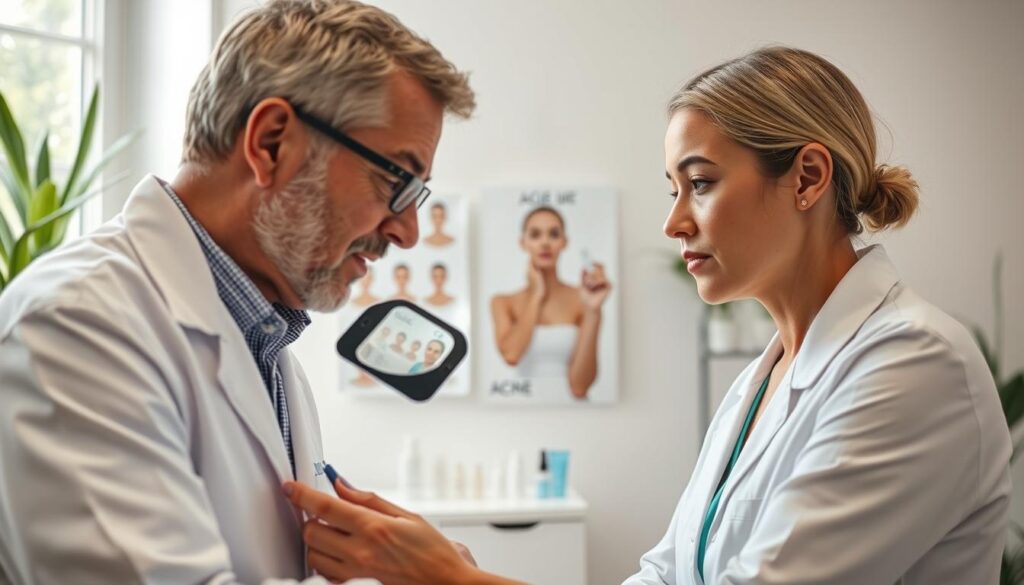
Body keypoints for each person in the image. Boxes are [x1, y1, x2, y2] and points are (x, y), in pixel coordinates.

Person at [282, 46, 1011, 585]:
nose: (674, 223)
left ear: (808, 178)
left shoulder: (915, 366)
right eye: (674, 188)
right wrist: (460, 563)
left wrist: (456, 581)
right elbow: (666, 576)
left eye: (699, 183)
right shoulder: (765, 378)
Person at [0, 0, 475, 583]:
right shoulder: (73, 325)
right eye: (395, 181)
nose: (407, 232)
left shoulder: (265, 346)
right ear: (272, 142)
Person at [490, 206, 612, 399]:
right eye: (535, 234)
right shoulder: (503, 302)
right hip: (519, 412)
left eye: (554, 234)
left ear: (564, 242)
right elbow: (511, 355)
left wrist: (593, 311)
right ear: (523, 243)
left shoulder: (583, 300)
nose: (545, 243)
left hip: (575, 414)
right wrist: (536, 296)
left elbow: (580, 387)